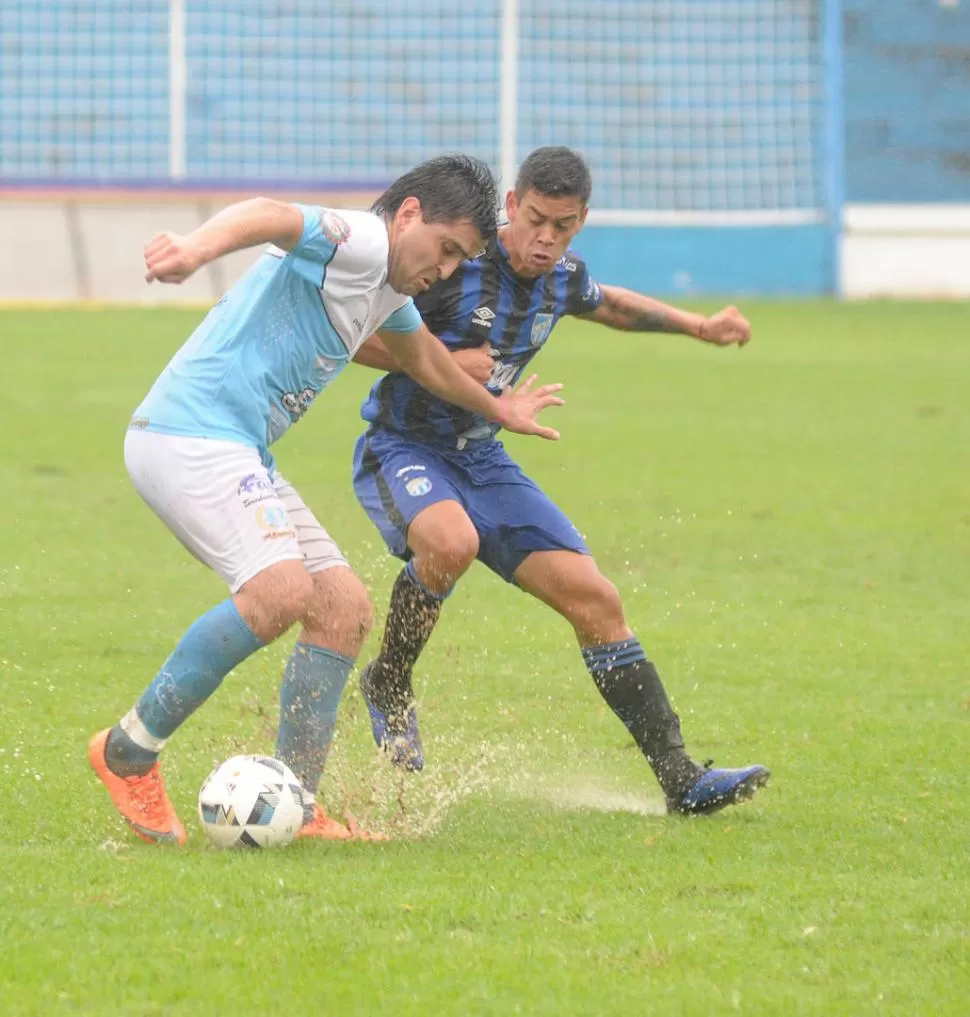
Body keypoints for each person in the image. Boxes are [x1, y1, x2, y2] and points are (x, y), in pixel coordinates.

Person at [88, 154, 565, 846]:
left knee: (341, 608)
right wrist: (194, 248)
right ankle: (128, 750)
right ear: (408, 216)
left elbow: (428, 361)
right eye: (448, 248)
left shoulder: (387, 293)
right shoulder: (363, 240)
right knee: (278, 590)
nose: (449, 269)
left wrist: (500, 408)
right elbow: (267, 213)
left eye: (463, 259)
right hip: (186, 434)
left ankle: (298, 801)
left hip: (238, 447)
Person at [351, 147, 769, 816]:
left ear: (581, 222)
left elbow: (611, 304)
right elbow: (355, 332)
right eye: (537, 220)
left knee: (595, 598)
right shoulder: (453, 259)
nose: (546, 240)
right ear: (511, 206)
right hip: (406, 446)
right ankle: (389, 683)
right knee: (450, 542)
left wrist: (699, 326)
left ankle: (681, 779)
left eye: (564, 226)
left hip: (484, 458)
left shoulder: (562, 277)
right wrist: (447, 358)